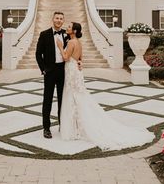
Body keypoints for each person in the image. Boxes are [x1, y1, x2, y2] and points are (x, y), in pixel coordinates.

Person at [56, 22, 155, 151]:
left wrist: (59, 46)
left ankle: (75, 128)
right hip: (76, 70)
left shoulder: (70, 42)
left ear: (74, 31)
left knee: (73, 97)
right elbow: (80, 58)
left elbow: (65, 58)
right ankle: (76, 126)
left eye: (69, 27)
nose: (67, 28)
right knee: (78, 97)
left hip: (71, 71)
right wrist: (79, 63)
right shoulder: (79, 42)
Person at [35, 12, 82, 139]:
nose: (59, 20)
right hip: (49, 72)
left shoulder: (67, 35)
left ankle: (63, 125)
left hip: (63, 71)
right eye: (57, 18)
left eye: (61, 19)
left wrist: (79, 60)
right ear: (53, 19)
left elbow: (75, 50)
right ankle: (46, 128)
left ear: (63, 20)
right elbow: (38, 54)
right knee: (47, 100)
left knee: (63, 100)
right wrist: (43, 69)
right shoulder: (44, 34)